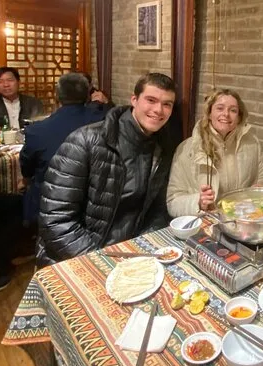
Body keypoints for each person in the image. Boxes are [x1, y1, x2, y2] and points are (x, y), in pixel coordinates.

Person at [36, 72, 182, 267]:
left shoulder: (163, 146)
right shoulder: (86, 141)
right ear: (134, 100)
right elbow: (55, 219)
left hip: (132, 252)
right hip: (79, 255)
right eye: (151, 100)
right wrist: (100, 261)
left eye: (167, 104)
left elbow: (157, 209)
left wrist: (145, 248)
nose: (158, 110)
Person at [19, 73, 108, 225]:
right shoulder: (103, 120)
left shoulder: (36, 130)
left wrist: (25, 181)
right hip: (96, 200)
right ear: (88, 96)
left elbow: (27, 167)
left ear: (57, 97)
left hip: (51, 202)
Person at [166, 88, 263, 216]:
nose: (226, 114)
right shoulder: (186, 149)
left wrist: (257, 194)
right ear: (209, 113)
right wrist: (198, 202)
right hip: (204, 222)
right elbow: (173, 202)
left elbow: (262, 184)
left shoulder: (252, 144)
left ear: (239, 117)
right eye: (220, 108)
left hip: (242, 220)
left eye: (233, 110)